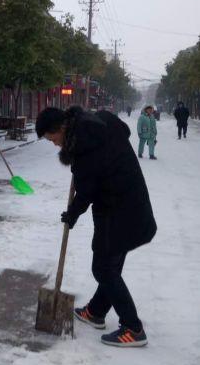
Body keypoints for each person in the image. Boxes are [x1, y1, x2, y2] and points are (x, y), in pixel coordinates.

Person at [35, 106, 157, 348]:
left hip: (117, 208)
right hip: (131, 199)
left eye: (52, 139)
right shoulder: (98, 119)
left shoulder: (83, 149)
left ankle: (133, 328)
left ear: (60, 128)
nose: (54, 144)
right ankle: (96, 311)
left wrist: (71, 214)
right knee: (112, 259)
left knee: (103, 267)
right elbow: (123, 130)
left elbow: (86, 192)